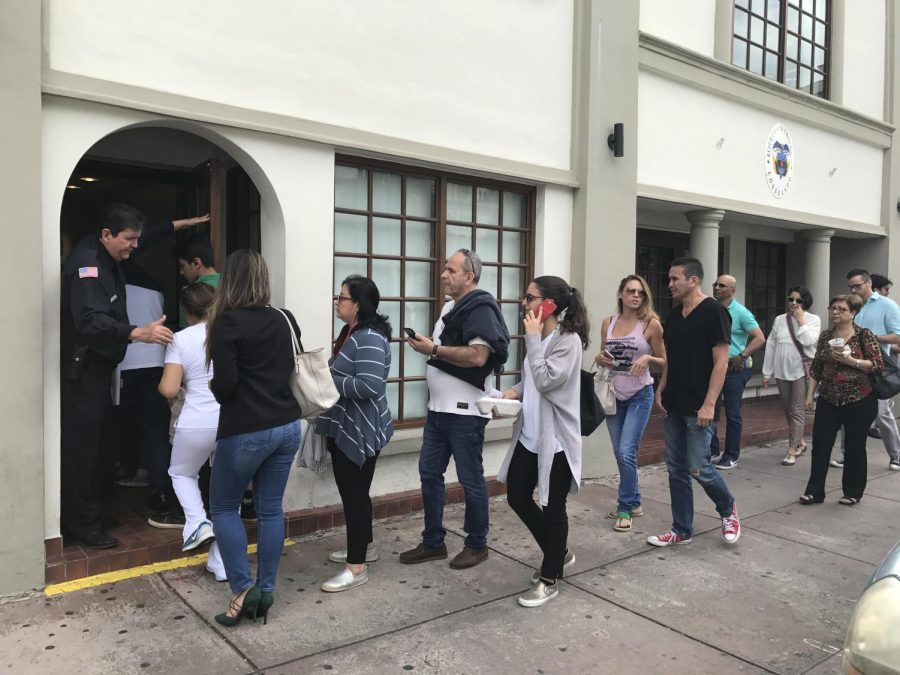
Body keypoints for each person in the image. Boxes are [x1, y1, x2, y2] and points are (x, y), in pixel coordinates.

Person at [60, 203, 201, 549]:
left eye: (136, 239)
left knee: (100, 444)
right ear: (106, 235)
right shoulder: (88, 264)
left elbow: (149, 233)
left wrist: (185, 221)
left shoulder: (111, 253)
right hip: (85, 371)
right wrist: (137, 333)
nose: (134, 246)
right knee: (83, 448)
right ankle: (80, 523)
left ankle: (92, 509)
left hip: (102, 369)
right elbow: (90, 321)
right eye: (128, 240)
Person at [206, 249, 302, 626]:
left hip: (246, 429)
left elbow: (226, 387)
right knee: (270, 510)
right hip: (287, 426)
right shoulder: (284, 318)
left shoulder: (228, 324)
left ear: (230, 280)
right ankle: (266, 589)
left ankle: (243, 591)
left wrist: (215, 384)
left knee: (224, 509)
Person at [401, 249, 510, 570]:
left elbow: (478, 356)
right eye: (444, 269)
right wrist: (430, 345)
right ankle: (433, 542)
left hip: (465, 415)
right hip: (438, 412)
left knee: (471, 480)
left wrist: (432, 349)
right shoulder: (452, 307)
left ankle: (477, 544)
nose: (444, 274)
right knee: (429, 475)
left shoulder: (480, 307)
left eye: (451, 270)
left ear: (469, 276)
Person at [497, 276, 590, 607]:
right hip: (530, 434)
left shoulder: (568, 341)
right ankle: (559, 551)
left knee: (554, 508)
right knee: (518, 496)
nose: (524, 302)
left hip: (557, 441)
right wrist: (513, 392)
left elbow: (548, 380)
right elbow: (531, 381)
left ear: (550, 304)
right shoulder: (539, 337)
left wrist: (534, 341)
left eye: (530, 297)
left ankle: (550, 577)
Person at [648, 257, 741, 548]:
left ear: (693, 280)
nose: (670, 284)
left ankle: (728, 509)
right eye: (670, 278)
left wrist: (710, 404)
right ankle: (681, 529)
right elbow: (671, 359)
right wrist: (661, 388)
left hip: (700, 406)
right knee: (675, 468)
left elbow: (721, 362)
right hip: (674, 402)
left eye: (675, 279)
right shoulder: (674, 316)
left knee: (699, 467)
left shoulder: (715, 312)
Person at [316, 276, 393, 593]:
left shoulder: (370, 338)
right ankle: (365, 546)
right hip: (347, 423)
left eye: (342, 297)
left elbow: (370, 385)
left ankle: (356, 567)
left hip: (360, 427)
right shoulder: (351, 333)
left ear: (358, 304)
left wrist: (327, 384)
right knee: (356, 492)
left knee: (355, 495)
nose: (338, 302)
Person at [158, 282, 226, 581]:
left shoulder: (180, 339)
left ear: (187, 312)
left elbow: (169, 388)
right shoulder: (228, 333)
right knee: (226, 498)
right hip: (230, 421)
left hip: (196, 421)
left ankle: (198, 522)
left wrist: (177, 385)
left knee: (181, 473)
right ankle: (221, 563)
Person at [113, 260, 184, 528]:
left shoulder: (116, 285)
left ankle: (125, 473)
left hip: (126, 365)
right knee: (156, 430)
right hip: (156, 363)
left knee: (119, 424)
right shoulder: (155, 287)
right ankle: (161, 492)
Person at [595, 275, 666, 533]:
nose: (636, 296)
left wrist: (647, 357)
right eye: (631, 291)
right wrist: (599, 357)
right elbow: (604, 354)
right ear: (621, 295)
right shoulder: (608, 322)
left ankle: (624, 507)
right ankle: (634, 501)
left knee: (626, 451)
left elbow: (664, 361)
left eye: (640, 292)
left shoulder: (651, 324)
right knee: (620, 453)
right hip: (614, 394)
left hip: (640, 395)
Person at [799, 293, 883, 505]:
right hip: (828, 398)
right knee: (820, 444)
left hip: (859, 400)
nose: (835, 312)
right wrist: (810, 395)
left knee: (854, 446)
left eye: (841, 309)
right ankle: (814, 491)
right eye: (833, 308)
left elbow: (877, 364)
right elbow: (816, 367)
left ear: (853, 313)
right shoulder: (826, 336)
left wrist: (851, 360)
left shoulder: (864, 335)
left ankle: (853, 491)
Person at [833, 269, 900, 472]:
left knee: (882, 414)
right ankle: (847, 454)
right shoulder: (850, 305)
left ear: (869, 283)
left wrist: (871, 337)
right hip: (850, 366)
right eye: (851, 286)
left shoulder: (887, 305)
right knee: (848, 413)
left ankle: (896, 455)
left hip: (876, 369)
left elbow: (897, 336)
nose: (854, 289)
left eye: (857, 285)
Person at [709, 274, 765, 469]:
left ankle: (731, 455)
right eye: (715, 284)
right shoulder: (710, 309)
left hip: (734, 370)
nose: (717, 288)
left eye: (722, 286)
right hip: (713, 367)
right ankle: (712, 449)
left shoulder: (741, 312)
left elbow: (759, 337)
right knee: (710, 410)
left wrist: (742, 355)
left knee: (732, 413)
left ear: (732, 290)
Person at [761, 287, 821, 466]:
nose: (794, 303)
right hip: (781, 370)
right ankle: (800, 441)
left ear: (805, 302)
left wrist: (801, 320)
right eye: (791, 299)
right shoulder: (780, 319)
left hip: (801, 371)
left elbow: (809, 341)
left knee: (796, 409)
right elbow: (771, 344)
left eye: (798, 300)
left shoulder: (813, 319)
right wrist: (766, 372)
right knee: (788, 409)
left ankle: (791, 449)